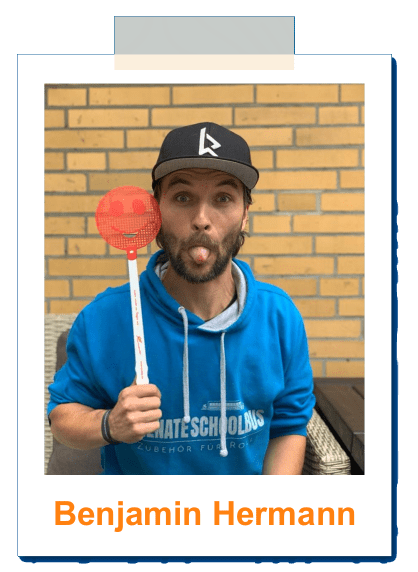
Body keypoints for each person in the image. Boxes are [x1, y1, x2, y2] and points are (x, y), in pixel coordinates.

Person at [48, 122, 315, 475]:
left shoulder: (279, 316)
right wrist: (109, 424)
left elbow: (288, 427)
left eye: (223, 198)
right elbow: (62, 417)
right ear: (155, 211)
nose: (201, 220)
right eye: (183, 198)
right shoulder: (104, 317)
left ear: (245, 214)